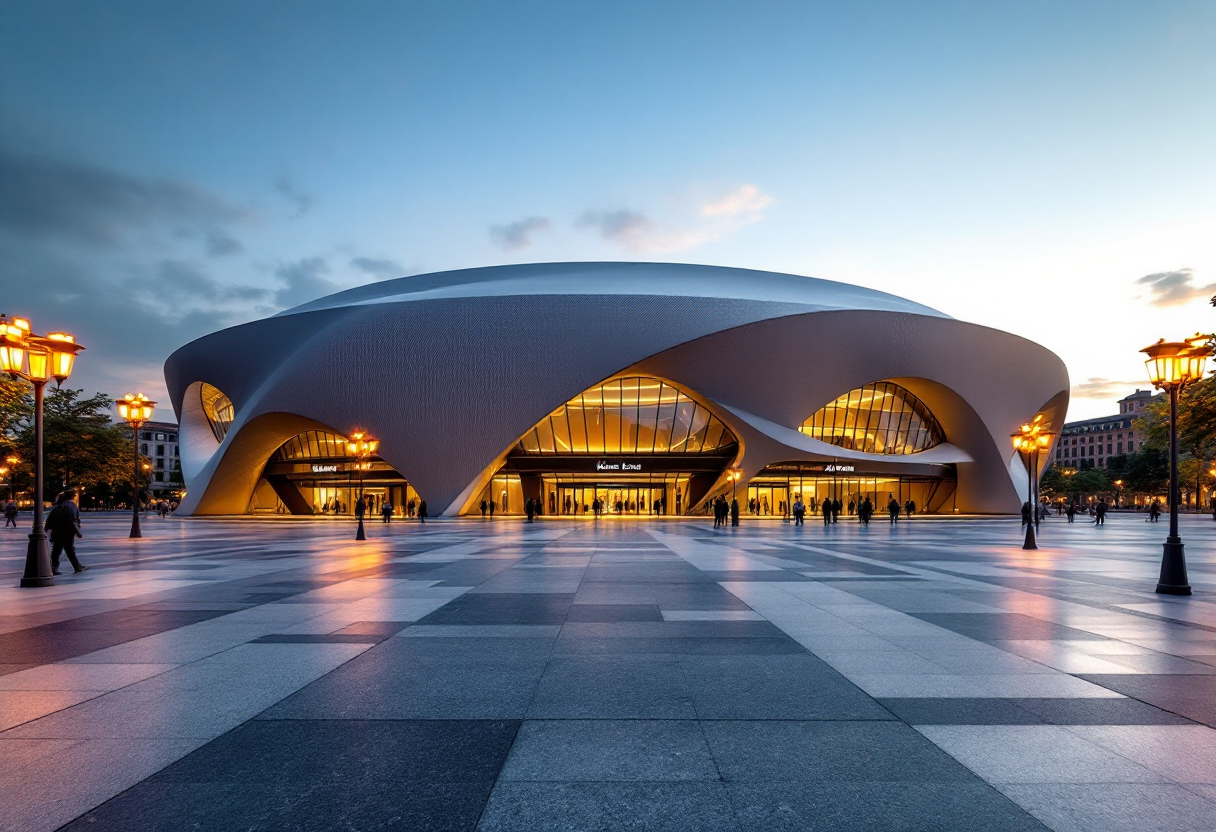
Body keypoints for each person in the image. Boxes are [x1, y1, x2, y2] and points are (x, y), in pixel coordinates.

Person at [46, 489, 87, 575]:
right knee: (69, 549)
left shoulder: (59, 505)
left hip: (58, 531)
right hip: (67, 531)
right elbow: (73, 520)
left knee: (57, 550)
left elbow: (50, 519)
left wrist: (48, 530)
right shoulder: (71, 506)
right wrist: (78, 532)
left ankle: (53, 567)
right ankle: (76, 566)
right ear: (72, 496)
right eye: (74, 495)